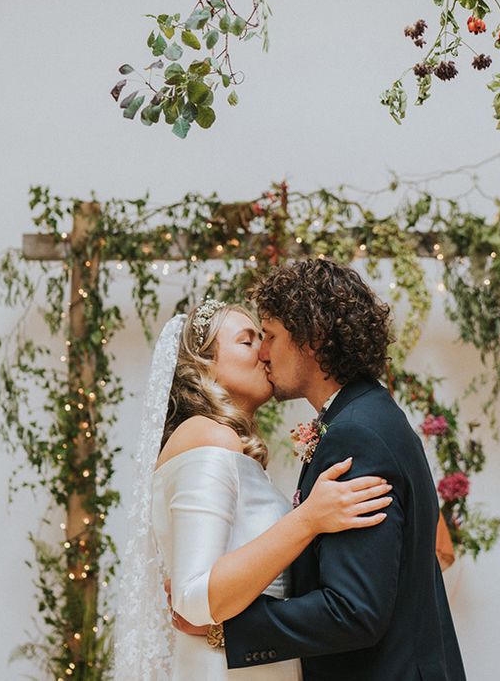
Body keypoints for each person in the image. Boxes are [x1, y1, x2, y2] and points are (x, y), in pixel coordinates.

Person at [174, 259, 467, 680]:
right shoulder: (368, 415)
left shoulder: (356, 435)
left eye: (270, 336)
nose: (263, 352)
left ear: (309, 339)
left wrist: (227, 628)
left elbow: (353, 610)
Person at [113, 301, 392, 680]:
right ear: (204, 364)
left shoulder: (223, 443)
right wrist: (308, 519)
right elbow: (195, 599)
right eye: (248, 341)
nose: (265, 353)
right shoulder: (209, 436)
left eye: (265, 339)